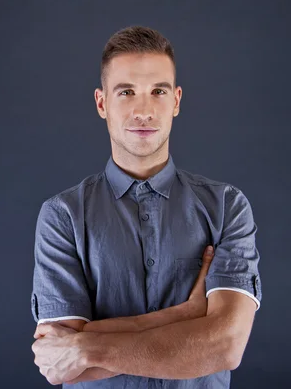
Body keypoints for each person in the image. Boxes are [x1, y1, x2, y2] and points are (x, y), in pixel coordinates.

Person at [30, 25, 262, 388]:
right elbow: (61, 363)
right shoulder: (63, 215)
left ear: (177, 101)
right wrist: (187, 315)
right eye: (126, 92)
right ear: (102, 103)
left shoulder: (227, 206)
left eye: (158, 91)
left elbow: (225, 346)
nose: (144, 110)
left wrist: (87, 345)